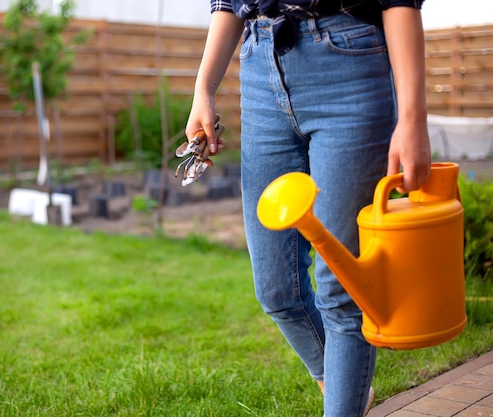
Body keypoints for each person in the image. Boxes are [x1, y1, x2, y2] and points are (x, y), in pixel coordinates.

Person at [184, 1, 432, 416]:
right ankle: (344, 386)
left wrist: (413, 117)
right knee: (277, 289)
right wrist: (203, 88)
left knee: (341, 290)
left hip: (348, 62)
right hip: (260, 66)